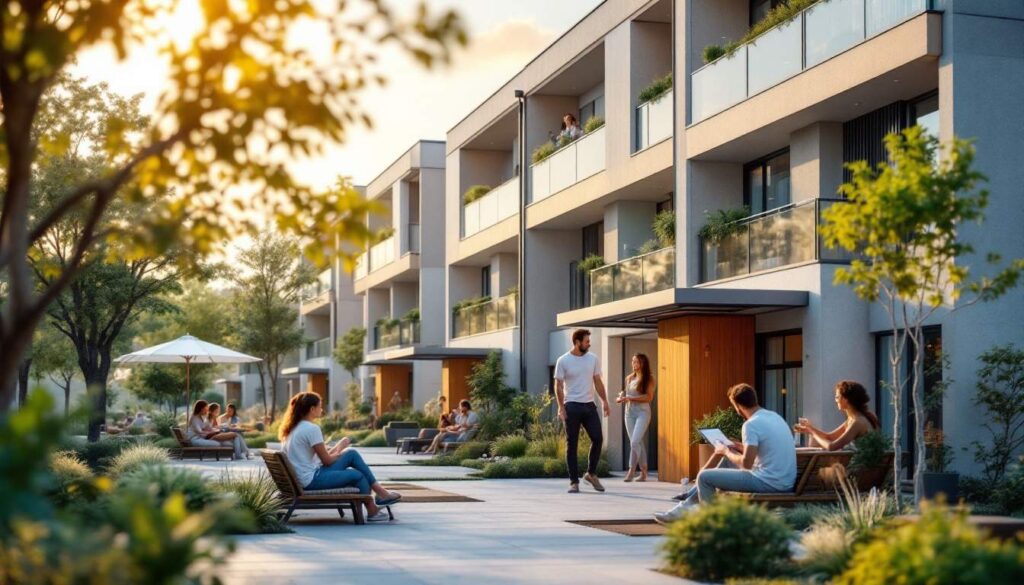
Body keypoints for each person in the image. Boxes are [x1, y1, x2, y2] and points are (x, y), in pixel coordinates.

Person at [654, 383, 796, 524]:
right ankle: (683, 508)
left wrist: (726, 451)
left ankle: (713, 523)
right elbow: (766, 449)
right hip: (784, 481)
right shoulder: (774, 417)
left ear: (738, 406)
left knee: (704, 477)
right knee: (727, 461)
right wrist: (737, 446)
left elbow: (746, 464)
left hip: (768, 482)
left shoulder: (751, 425)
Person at [280, 392, 401, 522]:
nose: (322, 410)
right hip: (311, 480)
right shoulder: (311, 429)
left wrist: (339, 447)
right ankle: (375, 505)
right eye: (320, 406)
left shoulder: (291, 429)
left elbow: (322, 459)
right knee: (358, 475)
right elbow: (326, 461)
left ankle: (379, 497)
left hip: (305, 477)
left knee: (351, 453)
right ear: (312, 409)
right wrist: (339, 449)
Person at [554, 328, 610, 494]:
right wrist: (561, 407)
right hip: (571, 405)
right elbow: (557, 385)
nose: (589, 344)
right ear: (577, 342)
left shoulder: (592, 359)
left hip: (589, 405)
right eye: (586, 341)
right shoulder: (563, 360)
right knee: (572, 444)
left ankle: (591, 474)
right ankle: (573, 482)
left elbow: (597, 381)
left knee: (598, 438)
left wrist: (605, 401)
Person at [794, 380, 879, 450]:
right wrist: (809, 428)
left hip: (863, 468)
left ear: (846, 399)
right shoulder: (855, 418)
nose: (835, 400)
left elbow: (831, 446)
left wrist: (812, 432)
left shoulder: (857, 422)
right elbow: (830, 437)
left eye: (837, 397)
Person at [617, 353, 656, 482]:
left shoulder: (649, 378)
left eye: (636, 362)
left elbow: (649, 397)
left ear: (643, 364)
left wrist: (630, 398)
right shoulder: (629, 378)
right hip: (629, 413)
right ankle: (644, 472)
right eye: (633, 361)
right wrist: (622, 397)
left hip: (643, 413)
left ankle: (631, 471)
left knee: (634, 442)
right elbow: (625, 393)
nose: (634, 364)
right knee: (637, 442)